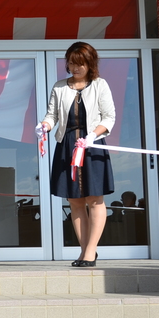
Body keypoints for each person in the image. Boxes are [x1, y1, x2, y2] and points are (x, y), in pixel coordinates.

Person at [37, 41, 115, 268]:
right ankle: (84, 251)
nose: (75, 68)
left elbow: (109, 118)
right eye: (71, 63)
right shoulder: (59, 87)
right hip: (68, 145)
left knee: (95, 198)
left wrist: (93, 136)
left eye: (80, 63)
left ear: (90, 64)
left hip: (92, 144)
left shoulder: (100, 85)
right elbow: (52, 115)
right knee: (75, 200)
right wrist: (44, 125)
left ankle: (91, 251)